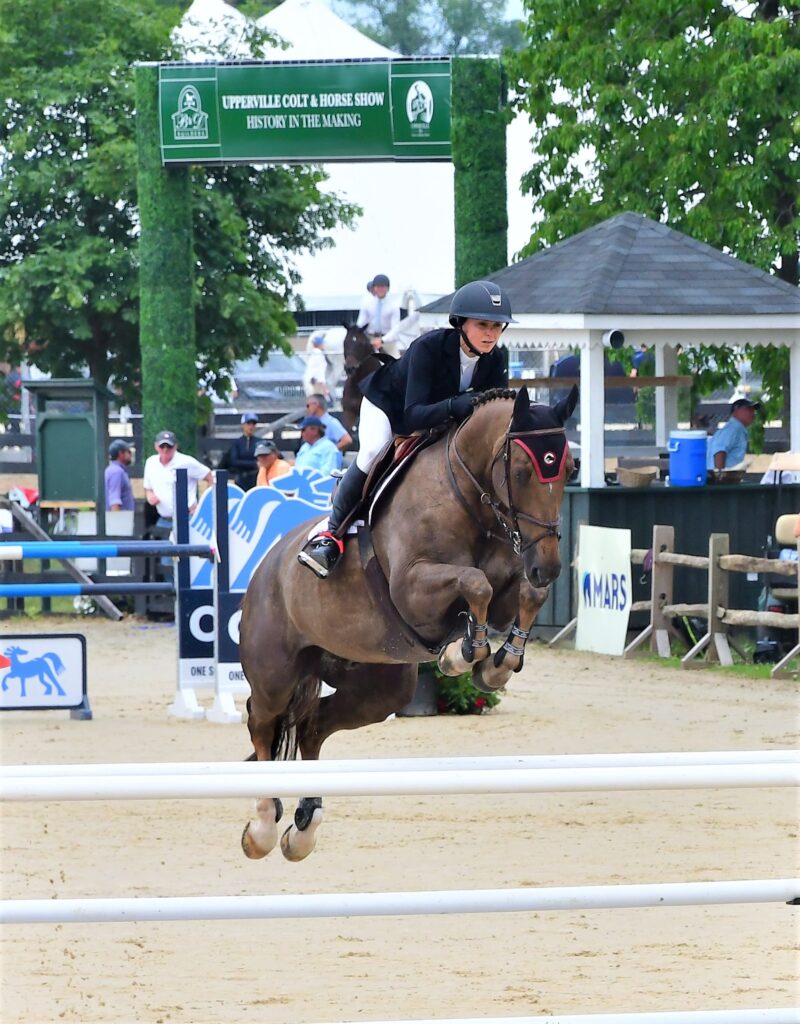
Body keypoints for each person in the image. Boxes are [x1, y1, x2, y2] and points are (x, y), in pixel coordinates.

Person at [298, 279, 514, 578]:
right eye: (482, 325)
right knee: (373, 451)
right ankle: (331, 535)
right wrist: (456, 405)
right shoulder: (430, 347)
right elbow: (413, 416)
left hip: (440, 419)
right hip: (389, 406)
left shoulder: (496, 359)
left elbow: (494, 413)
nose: (491, 334)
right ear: (460, 323)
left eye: (496, 326)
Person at [143, 430, 213, 525]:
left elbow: (210, 476)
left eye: (169, 446)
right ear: (156, 446)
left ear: (175, 446)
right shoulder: (151, 462)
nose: (165, 449)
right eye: (162, 446)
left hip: (187, 518)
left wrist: (203, 506)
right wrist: (150, 497)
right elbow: (148, 488)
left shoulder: (186, 461)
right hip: (164, 519)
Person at [707, 398, 761, 471]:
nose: (753, 413)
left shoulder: (737, 429)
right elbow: (719, 451)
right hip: (721, 479)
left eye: (753, 410)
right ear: (736, 410)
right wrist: (720, 476)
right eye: (748, 409)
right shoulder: (733, 429)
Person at [356, 273, 401, 351]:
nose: (380, 289)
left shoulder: (394, 306)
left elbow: (395, 329)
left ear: (388, 288)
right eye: (378, 286)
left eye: (383, 286)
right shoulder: (366, 304)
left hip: (387, 341)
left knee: (396, 361)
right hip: (369, 340)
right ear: (374, 288)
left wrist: (382, 340)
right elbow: (360, 323)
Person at [227, 412, 260, 491]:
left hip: (255, 479)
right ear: (243, 425)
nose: (251, 426)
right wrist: (254, 464)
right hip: (241, 479)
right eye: (248, 423)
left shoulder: (259, 442)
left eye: (253, 424)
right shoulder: (237, 443)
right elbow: (234, 461)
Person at [105, 439, 134, 512]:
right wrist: (117, 522)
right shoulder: (116, 472)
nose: (130, 455)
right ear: (121, 454)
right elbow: (115, 501)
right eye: (128, 452)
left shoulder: (113, 470)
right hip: (120, 520)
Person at [303, 332, 332, 402]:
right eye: (322, 343)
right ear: (319, 344)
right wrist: (325, 389)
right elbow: (319, 373)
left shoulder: (315, 353)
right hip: (315, 384)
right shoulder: (318, 354)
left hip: (312, 383)